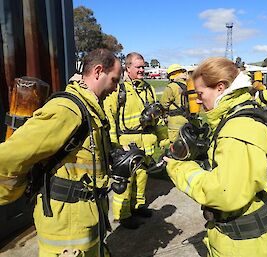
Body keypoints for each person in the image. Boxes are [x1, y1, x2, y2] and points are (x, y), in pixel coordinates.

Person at [0, 48, 122, 257]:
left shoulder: (91, 109)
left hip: (86, 220)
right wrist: (14, 190)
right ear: (98, 71)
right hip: (66, 231)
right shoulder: (67, 110)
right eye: (114, 80)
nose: (115, 87)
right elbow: (10, 155)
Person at [164, 57, 267, 257]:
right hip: (244, 239)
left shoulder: (236, 131)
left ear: (220, 88)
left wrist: (178, 168)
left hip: (243, 246)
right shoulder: (241, 114)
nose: (198, 100)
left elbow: (224, 193)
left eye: (201, 94)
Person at [104, 52, 165, 229]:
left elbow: (158, 116)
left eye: (143, 67)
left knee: (142, 177)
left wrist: (163, 139)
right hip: (127, 144)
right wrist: (115, 146)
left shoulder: (149, 88)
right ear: (127, 68)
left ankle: (137, 207)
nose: (142, 70)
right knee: (126, 182)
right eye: (138, 67)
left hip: (146, 143)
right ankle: (123, 215)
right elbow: (110, 119)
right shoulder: (119, 90)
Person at [160, 64, 189, 143]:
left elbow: (163, 104)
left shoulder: (172, 87)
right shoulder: (190, 84)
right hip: (190, 119)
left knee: (176, 147)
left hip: (175, 123)